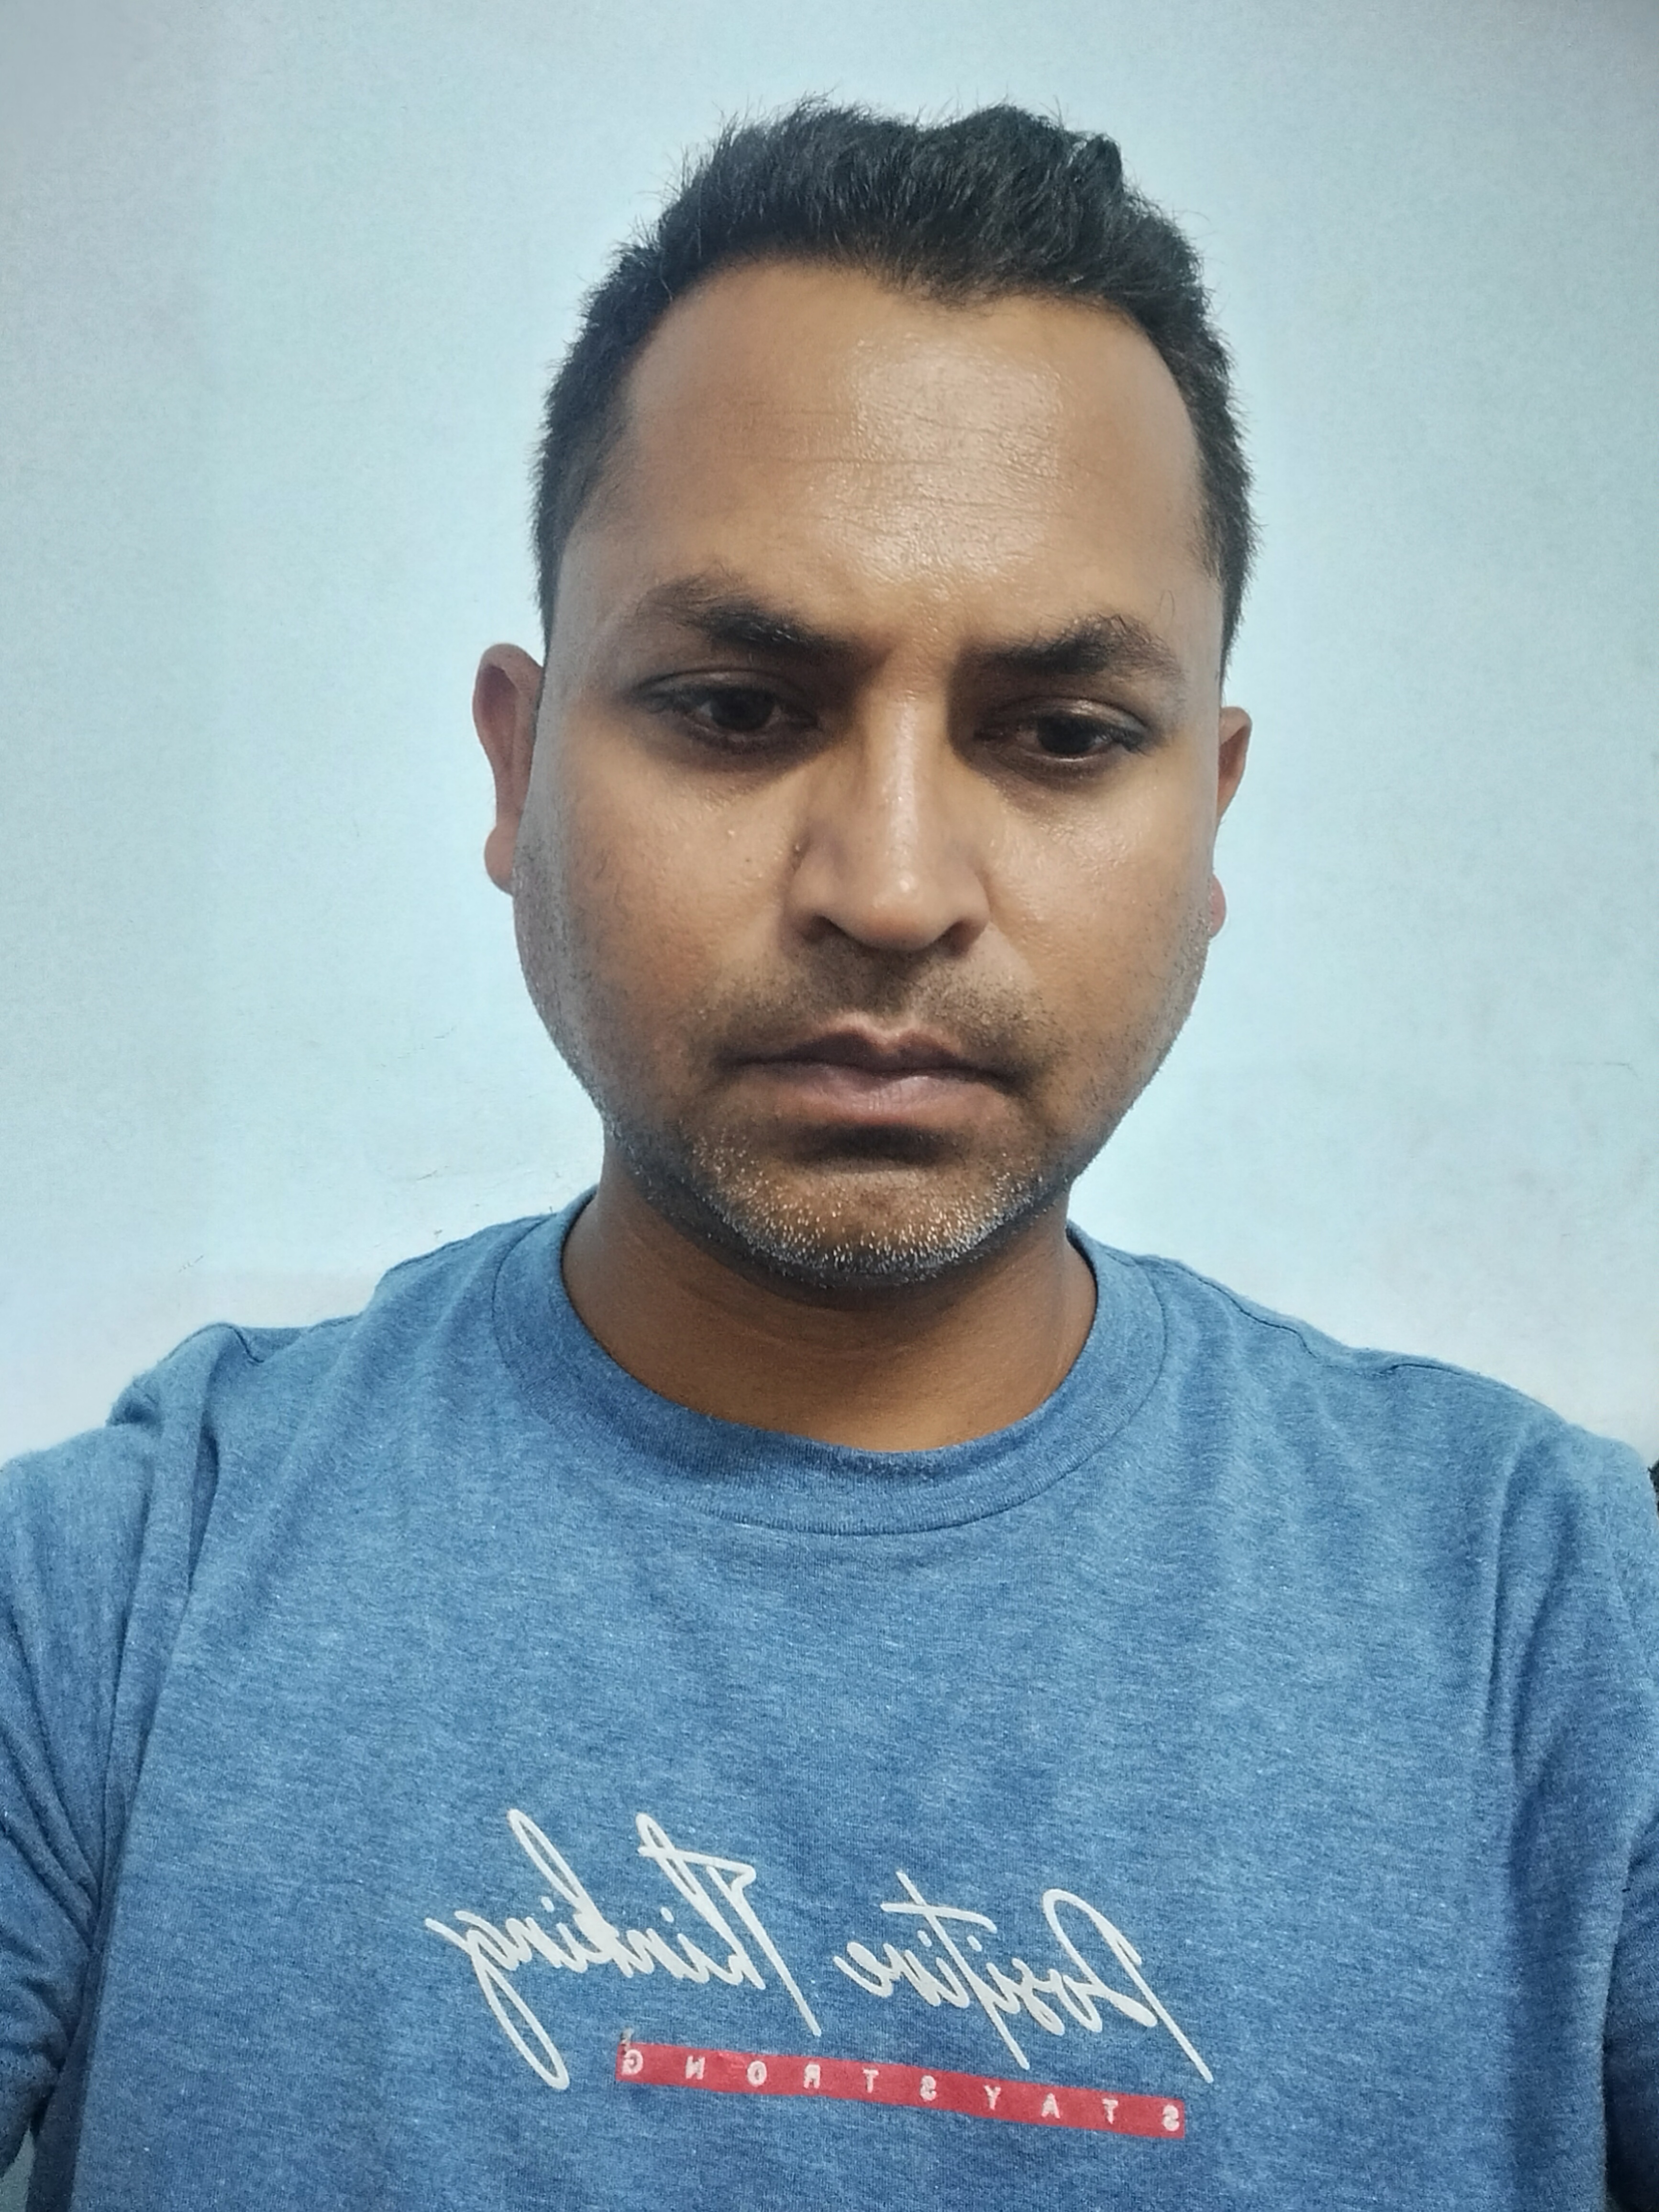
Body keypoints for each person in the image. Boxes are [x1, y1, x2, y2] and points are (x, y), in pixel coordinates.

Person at [1, 100, 1655, 2212]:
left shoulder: (1557, 1615)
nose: (888, 886)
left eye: (1060, 735)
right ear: (518, 767)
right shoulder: (115, 1602)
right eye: (736, 704)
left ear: (1210, 816)